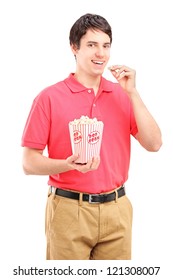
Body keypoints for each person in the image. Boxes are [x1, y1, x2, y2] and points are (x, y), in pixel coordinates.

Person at [21, 13, 162, 260]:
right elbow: (29, 163)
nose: (101, 54)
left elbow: (154, 144)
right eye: (92, 45)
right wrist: (66, 164)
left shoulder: (122, 95)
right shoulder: (49, 98)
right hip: (68, 210)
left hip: (117, 210)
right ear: (74, 48)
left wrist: (133, 93)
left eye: (106, 46)